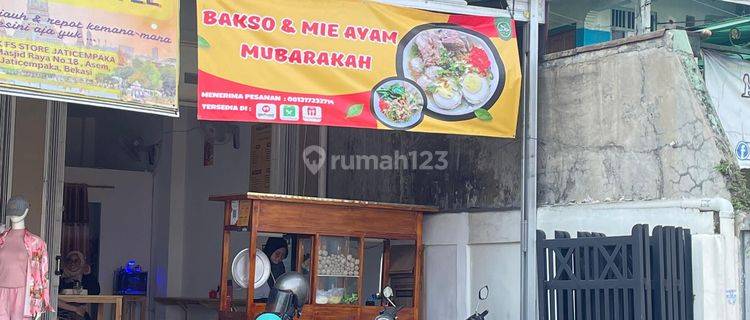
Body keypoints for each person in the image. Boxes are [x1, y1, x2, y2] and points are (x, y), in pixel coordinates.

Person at [58, 251, 100, 320]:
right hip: (62, 309)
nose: (72, 263)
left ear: (81, 263)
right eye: (70, 260)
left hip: (79, 310)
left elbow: (95, 292)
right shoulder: (60, 275)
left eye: (76, 261)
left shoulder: (85, 276)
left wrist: (89, 275)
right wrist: (75, 309)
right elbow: (54, 296)